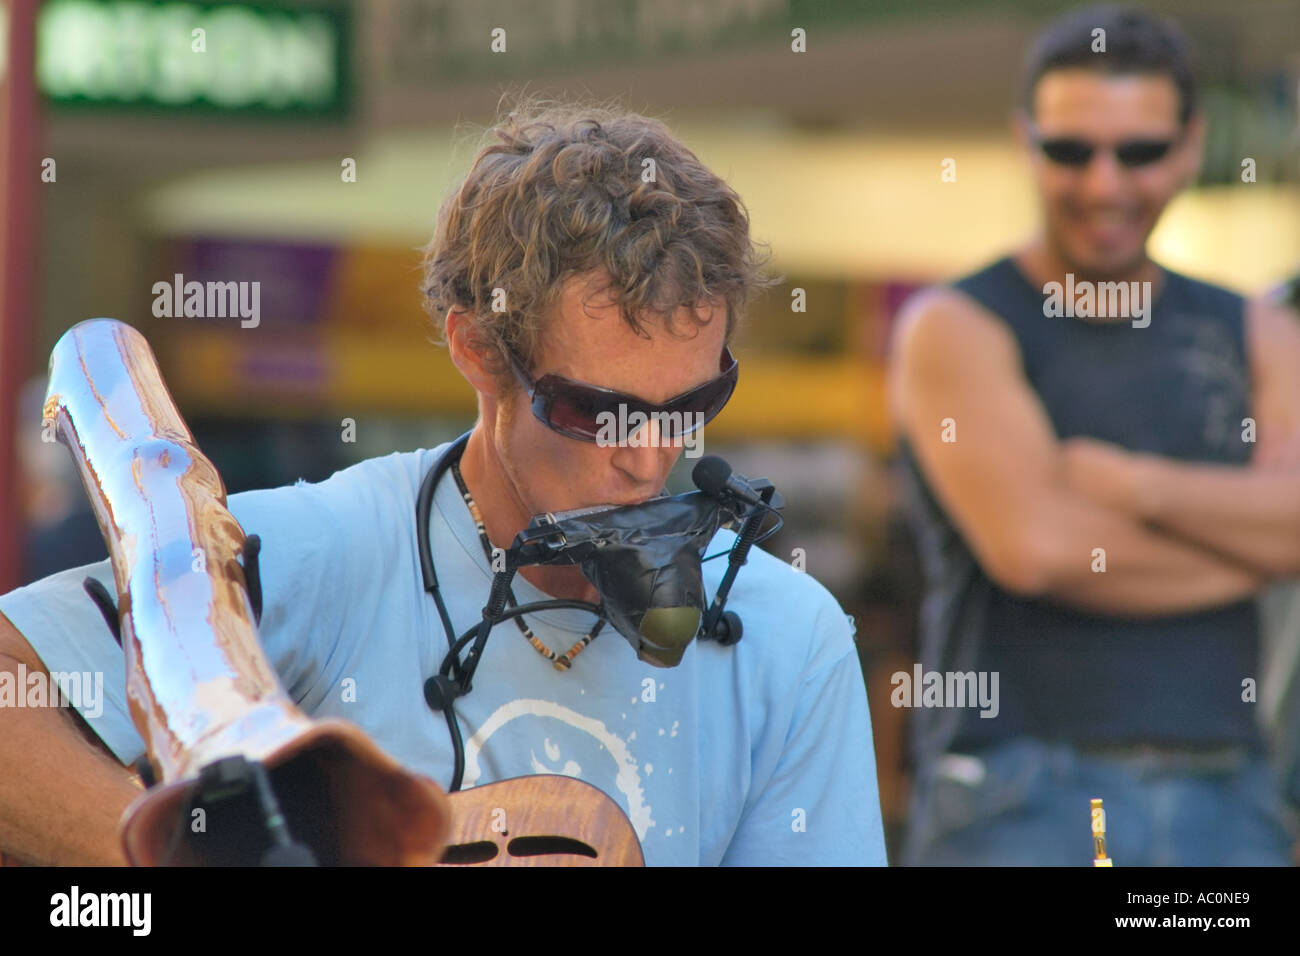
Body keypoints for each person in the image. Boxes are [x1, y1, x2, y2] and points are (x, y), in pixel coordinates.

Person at [0, 100, 887, 867]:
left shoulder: (787, 632)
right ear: (476, 351)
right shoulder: (330, 551)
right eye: (592, 410)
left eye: (693, 405)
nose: (650, 458)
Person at [889, 6, 1300, 865]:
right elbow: (1038, 551)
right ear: (1025, 141)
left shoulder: (1256, 327)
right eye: (1071, 150)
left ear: (1191, 146)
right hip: (1022, 794)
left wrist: (1131, 486)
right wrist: (1254, 542)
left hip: (1230, 790)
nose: (1105, 183)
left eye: (1140, 151)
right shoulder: (956, 324)